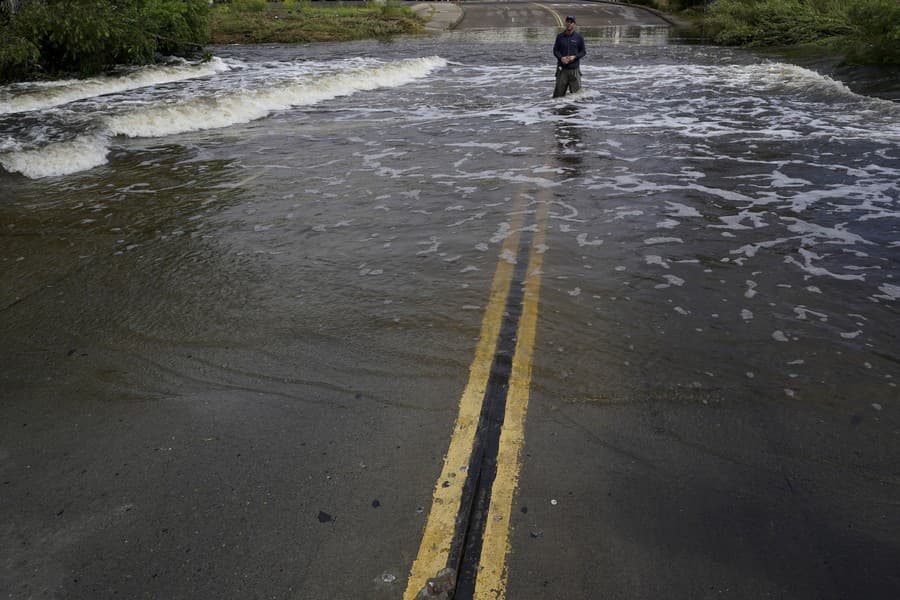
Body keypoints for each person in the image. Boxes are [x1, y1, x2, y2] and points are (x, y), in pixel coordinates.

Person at [553, 15, 586, 98]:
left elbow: (583, 52)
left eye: (571, 22)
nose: (569, 24)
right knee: (558, 97)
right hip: (562, 70)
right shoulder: (560, 37)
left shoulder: (579, 37)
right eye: (567, 21)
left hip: (574, 70)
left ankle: (574, 110)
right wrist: (561, 58)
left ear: (574, 24)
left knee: (578, 97)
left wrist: (574, 57)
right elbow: (555, 51)